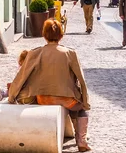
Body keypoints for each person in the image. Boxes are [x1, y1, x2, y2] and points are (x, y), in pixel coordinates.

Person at [8, 19, 91, 152]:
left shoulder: (35, 53)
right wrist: (85, 101)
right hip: (67, 99)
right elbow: (82, 80)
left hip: (43, 98)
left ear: (44, 35)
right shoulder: (70, 53)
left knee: (74, 105)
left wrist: (11, 97)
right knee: (81, 109)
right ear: (61, 35)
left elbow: (21, 76)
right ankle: (81, 140)